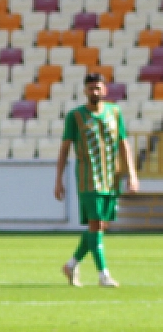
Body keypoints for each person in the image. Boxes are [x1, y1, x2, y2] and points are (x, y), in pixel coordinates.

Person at [55, 72, 139, 288]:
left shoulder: (115, 112)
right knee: (95, 223)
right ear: (85, 91)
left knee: (100, 225)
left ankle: (71, 264)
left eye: (98, 87)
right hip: (88, 179)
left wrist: (132, 174)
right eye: (91, 88)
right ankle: (103, 275)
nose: (95, 91)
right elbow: (64, 148)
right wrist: (58, 179)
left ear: (105, 90)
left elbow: (123, 143)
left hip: (111, 178)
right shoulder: (75, 116)